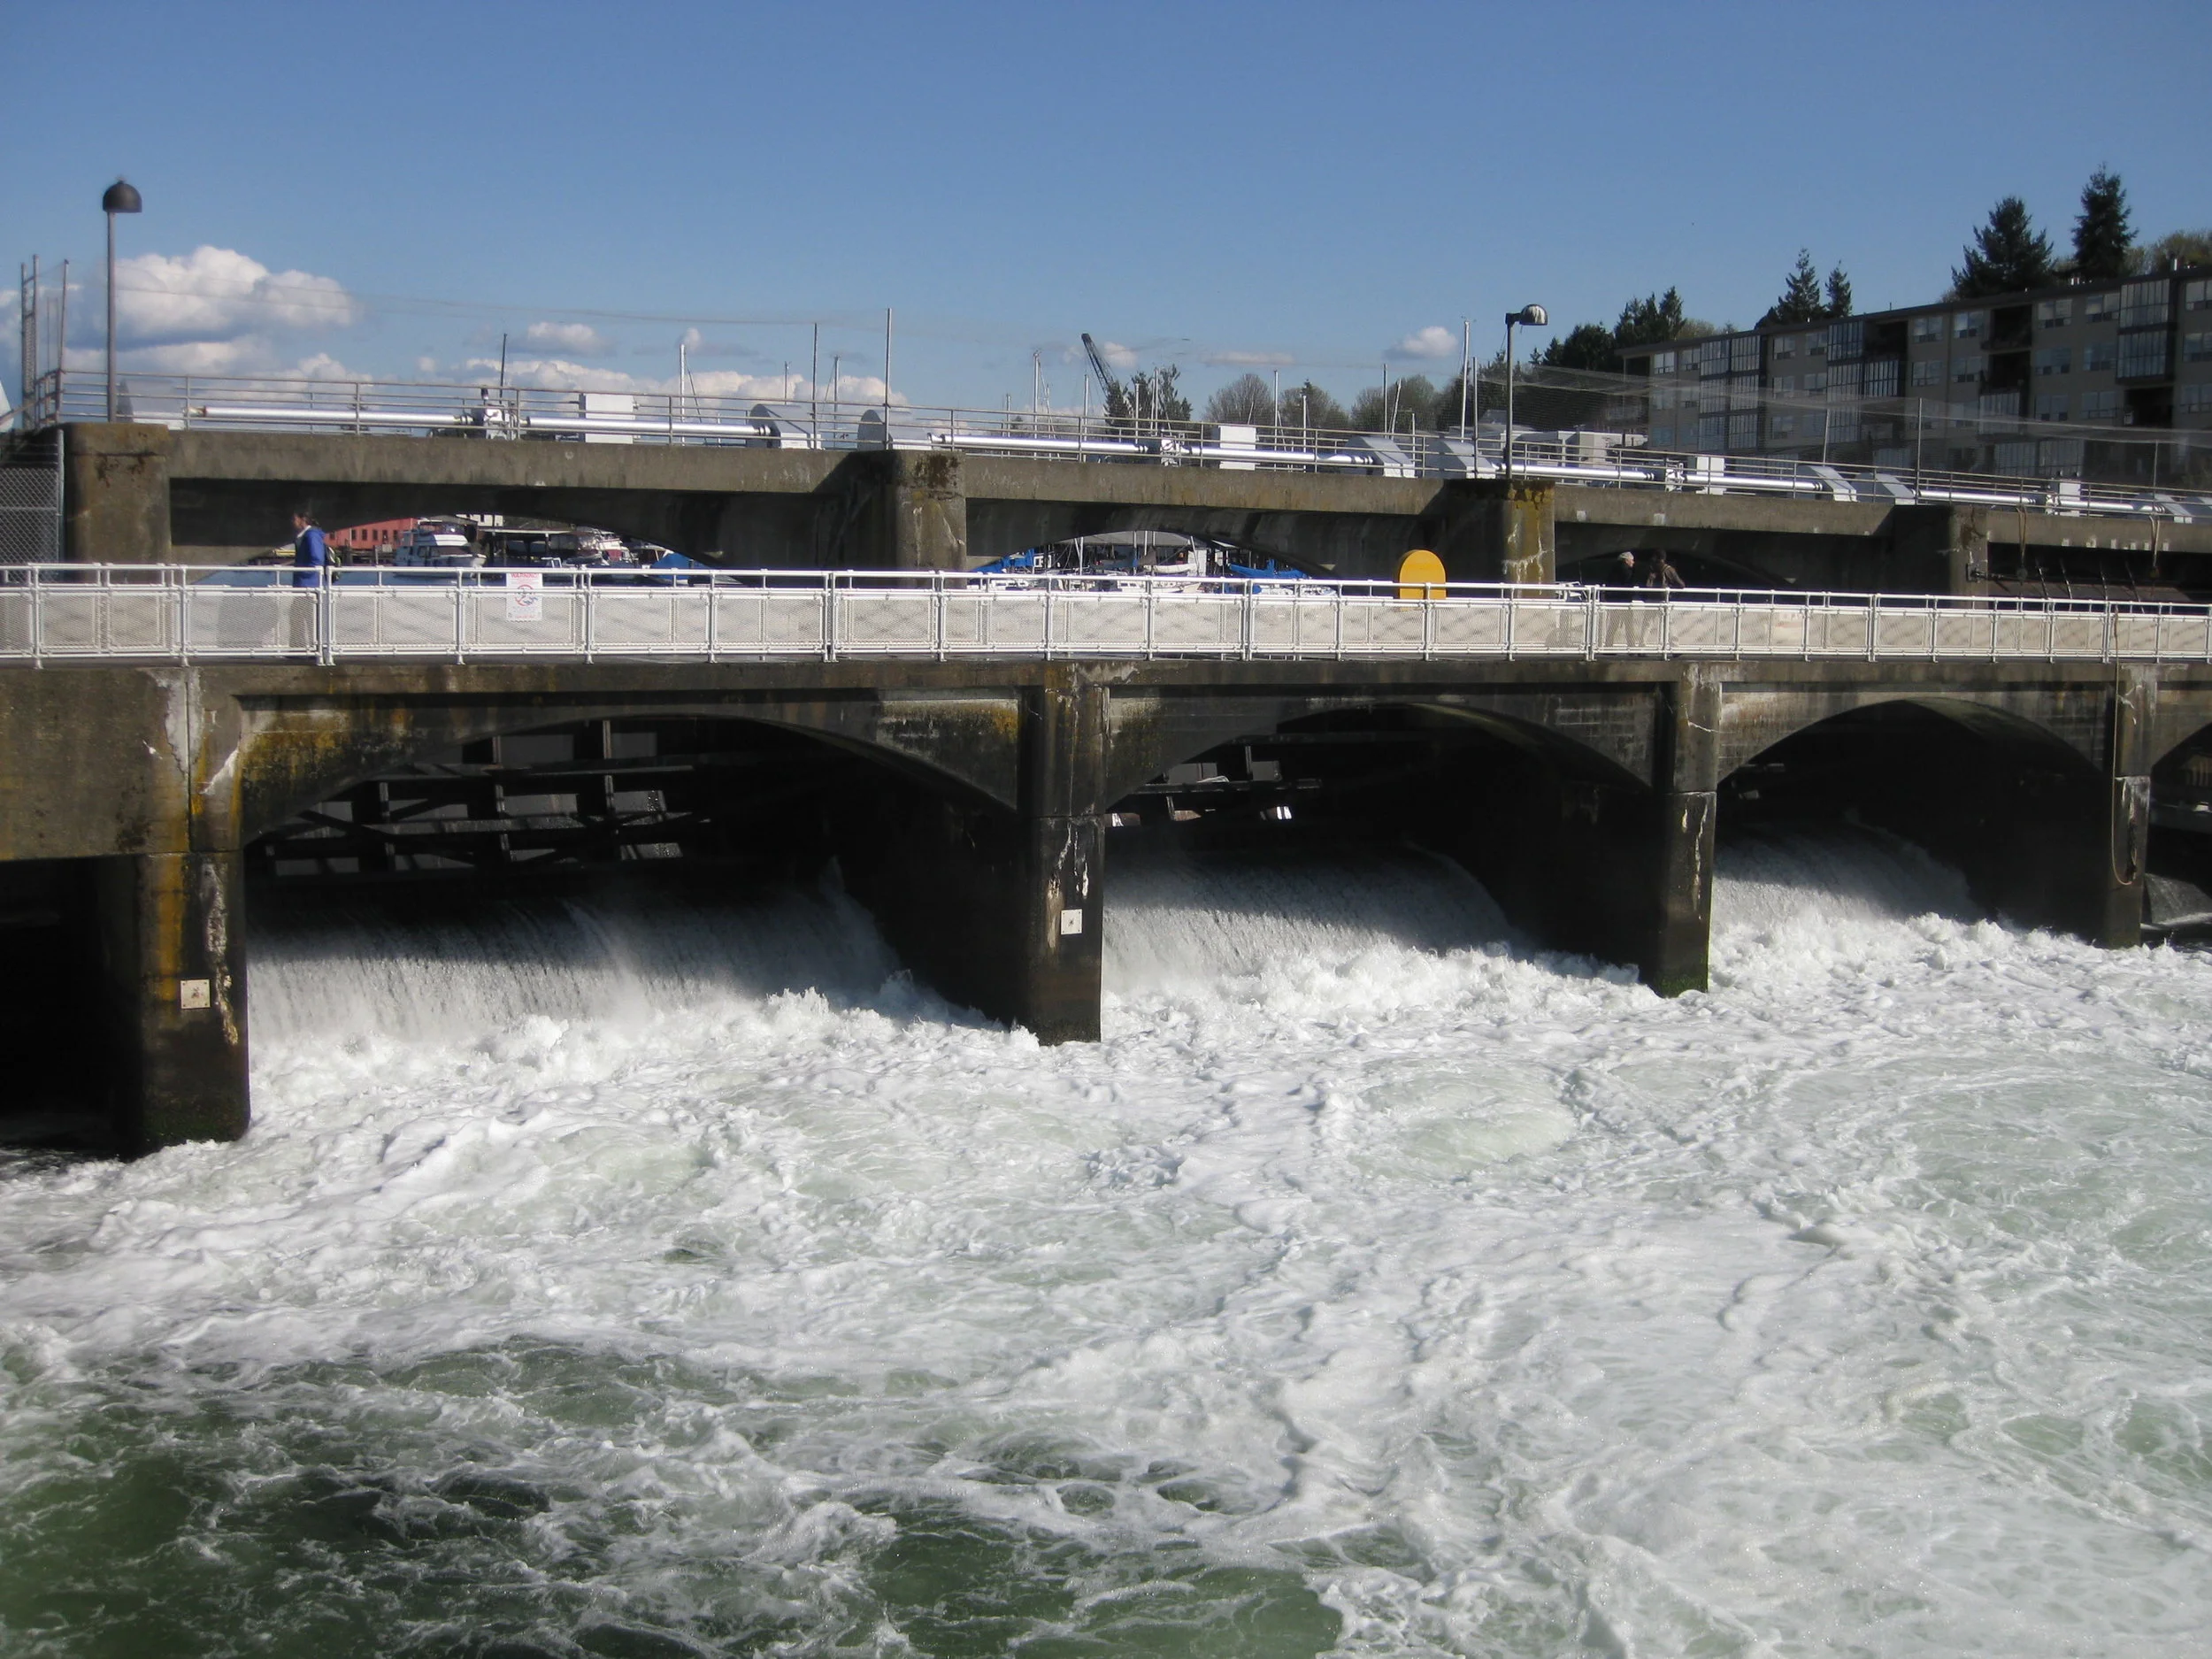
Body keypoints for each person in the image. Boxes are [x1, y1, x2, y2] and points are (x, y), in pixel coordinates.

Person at [291, 510, 330, 588]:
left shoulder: (312, 535)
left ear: (303, 520)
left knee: (305, 600)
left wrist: (302, 572)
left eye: (294, 519)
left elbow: (317, 560)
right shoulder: (307, 536)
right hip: (303, 583)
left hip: (309, 585)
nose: (292, 522)